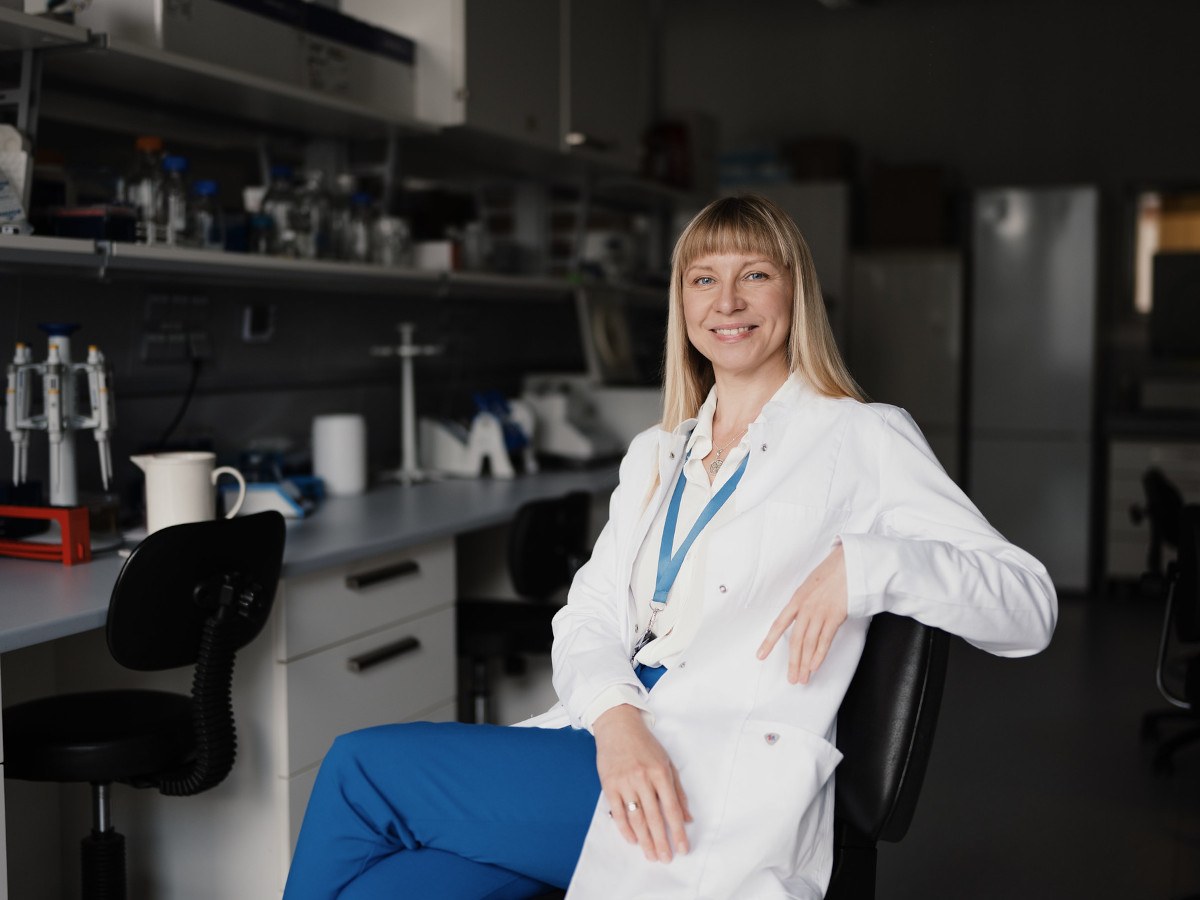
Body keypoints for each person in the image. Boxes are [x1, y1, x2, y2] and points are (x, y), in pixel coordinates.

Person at [283, 194, 1057, 899]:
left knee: (358, 770)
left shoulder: (861, 436)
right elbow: (585, 617)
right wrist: (618, 726)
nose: (727, 302)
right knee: (398, 885)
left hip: (712, 781)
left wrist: (871, 567)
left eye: (754, 274)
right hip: (616, 746)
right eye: (702, 279)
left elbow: (1029, 607)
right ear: (681, 302)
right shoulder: (658, 453)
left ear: (796, 292)